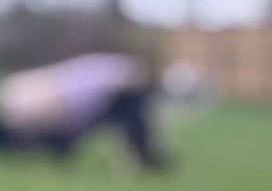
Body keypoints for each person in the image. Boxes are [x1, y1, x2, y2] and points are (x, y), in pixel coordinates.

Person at [0, 53, 168, 169]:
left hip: (55, 111)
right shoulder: (115, 76)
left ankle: (145, 157)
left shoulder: (109, 74)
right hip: (47, 112)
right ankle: (145, 158)